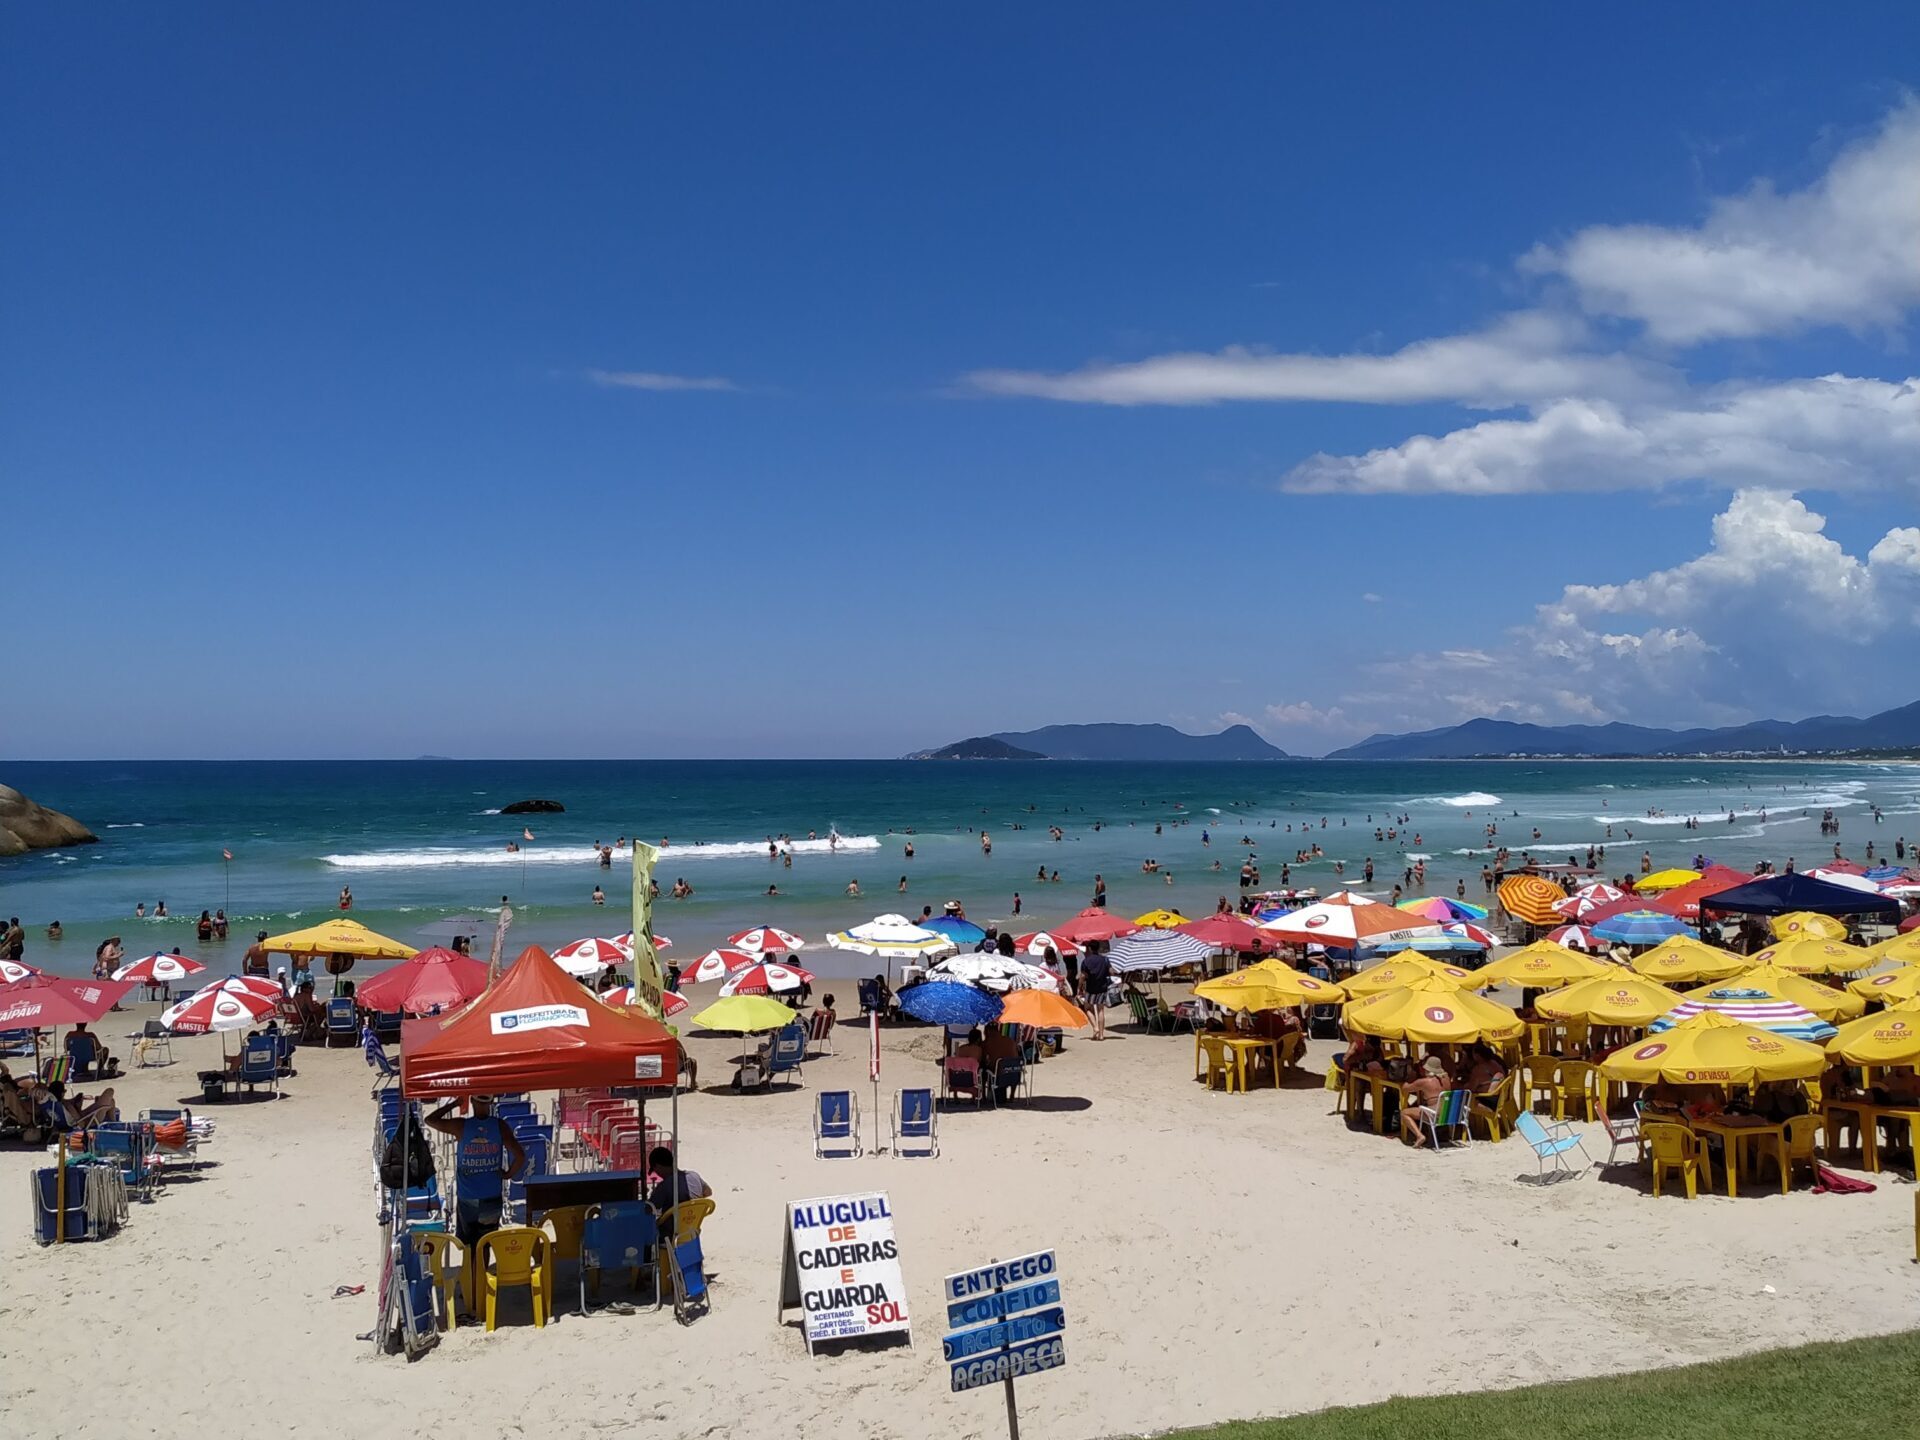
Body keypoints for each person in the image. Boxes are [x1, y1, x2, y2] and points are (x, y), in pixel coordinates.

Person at [427, 1096, 526, 1278]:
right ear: (490, 1103)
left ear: (472, 1102)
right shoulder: (500, 1126)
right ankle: (481, 1279)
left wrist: (454, 1104)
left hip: (468, 1197)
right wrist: (508, 1174)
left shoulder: (462, 1126)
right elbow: (520, 1156)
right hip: (491, 1195)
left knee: (469, 1243)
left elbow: (430, 1120)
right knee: (485, 1242)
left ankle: (471, 1281)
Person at [645, 1144, 711, 1218]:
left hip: (672, 1227)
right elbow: (708, 1192)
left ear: (658, 1166)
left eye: (655, 1170)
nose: (657, 1173)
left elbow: (648, 1209)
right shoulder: (694, 1175)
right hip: (693, 1223)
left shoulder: (664, 1186)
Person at [1400, 1057, 1449, 1145]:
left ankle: (1419, 1135)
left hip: (1435, 1114)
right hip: (1448, 1113)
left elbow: (1405, 1088)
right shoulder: (1446, 1079)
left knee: (1404, 1113)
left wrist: (1409, 1077)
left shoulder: (1424, 1082)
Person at [1079, 944, 1113, 1040]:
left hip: (1090, 988)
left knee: (1087, 1008)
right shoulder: (1105, 959)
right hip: (1102, 987)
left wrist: (1079, 987)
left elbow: (1082, 976)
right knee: (1100, 1010)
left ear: (1089, 948)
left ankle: (1095, 1027)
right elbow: (1111, 972)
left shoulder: (1086, 961)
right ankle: (1101, 1035)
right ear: (1099, 948)